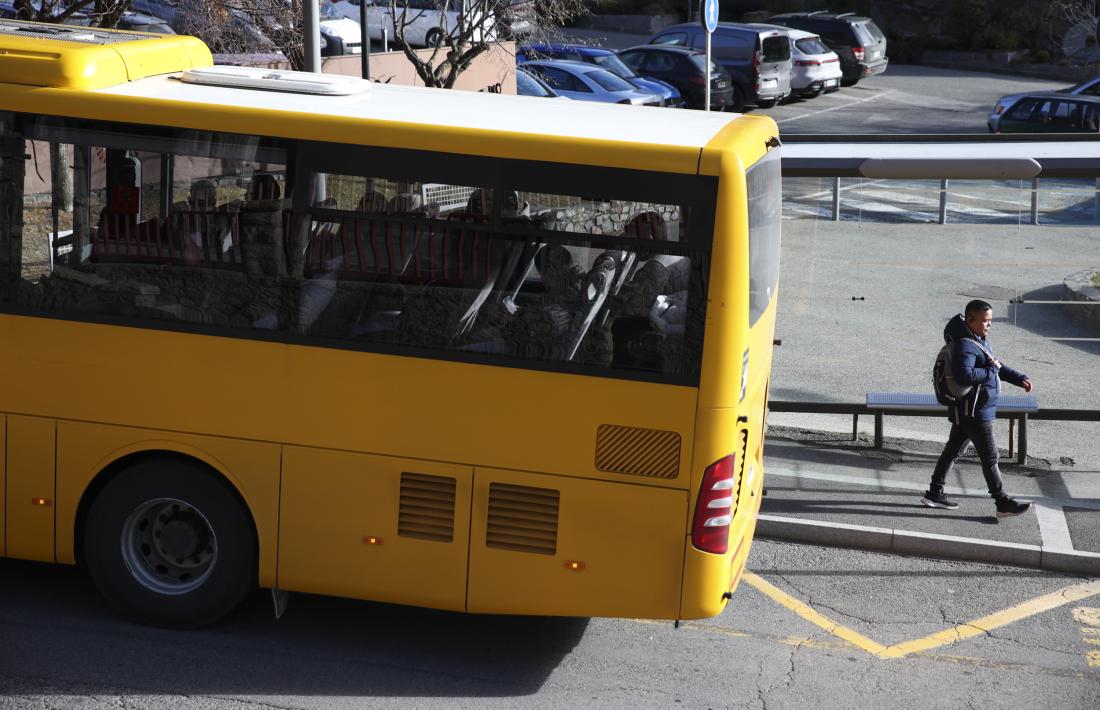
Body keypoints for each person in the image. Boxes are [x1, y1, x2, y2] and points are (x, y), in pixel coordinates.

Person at [922, 300, 1034, 517]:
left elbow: (996, 365)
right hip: (975, 412)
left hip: (969, 411)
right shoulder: (966, 345)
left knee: (952, 452)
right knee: (990, 458)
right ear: (970, 320)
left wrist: (1019, 379)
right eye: (985, 321)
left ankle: (934, 493)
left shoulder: (979, 340)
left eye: (990, 321)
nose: (988, 326)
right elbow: (966, 375)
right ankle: (1002, 502)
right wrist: (990, 373)